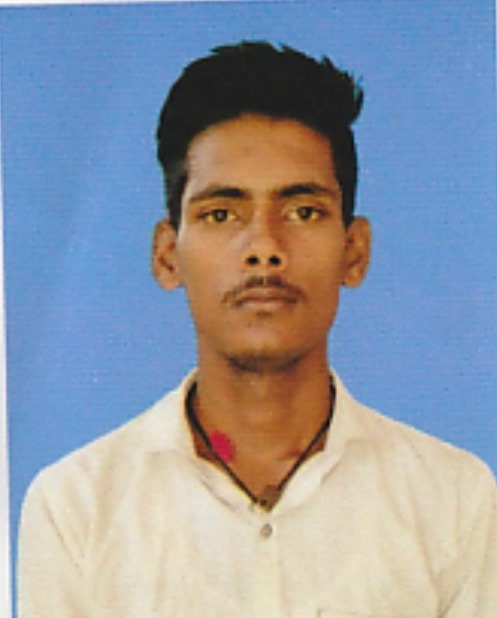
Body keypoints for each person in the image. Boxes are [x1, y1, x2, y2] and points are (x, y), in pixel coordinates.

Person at [18, 42, 497, 617]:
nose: (265, 248)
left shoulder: (454, 500)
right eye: (221, 214)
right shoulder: (76, 506)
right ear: (167, 254)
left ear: (355, 251)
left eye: (303, 212)